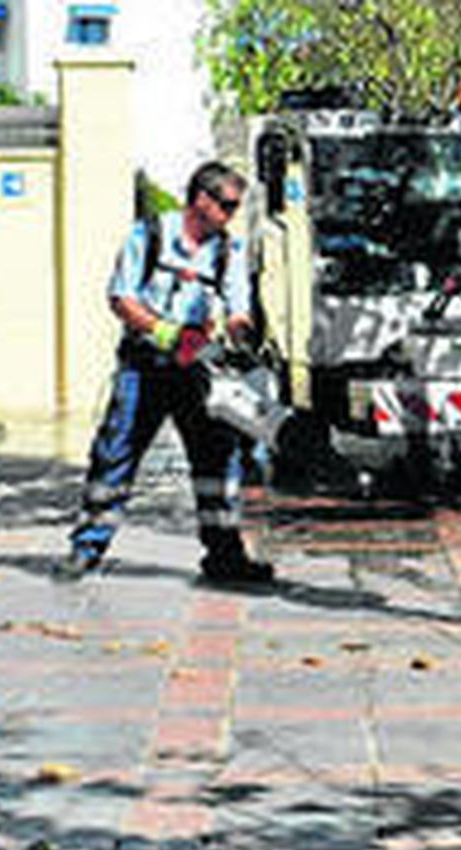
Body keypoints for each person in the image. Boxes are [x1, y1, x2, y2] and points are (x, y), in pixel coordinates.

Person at [58, 160, 274, 585]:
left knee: (217, 463)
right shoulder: (150, 236)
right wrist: (167, 332)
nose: (232, 215)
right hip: (145, 369)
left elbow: (237, 306)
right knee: (115, 455)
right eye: (227, 205)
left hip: (197, 374)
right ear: (201, 200)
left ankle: (225, 557)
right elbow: (121, 298)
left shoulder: (227, 250)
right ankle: (86, 549)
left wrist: (241, 334)